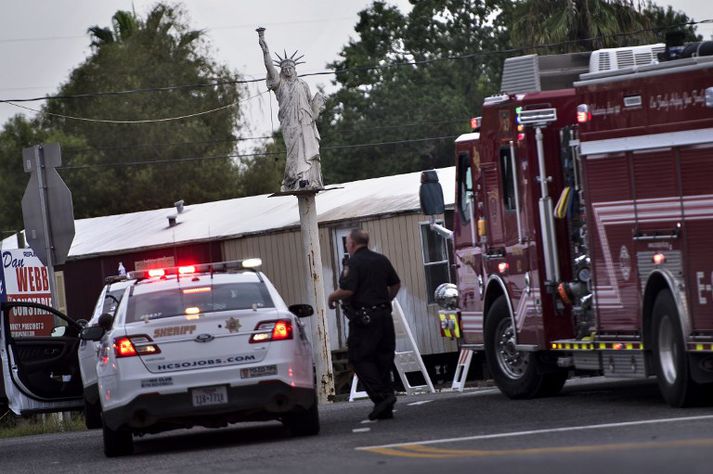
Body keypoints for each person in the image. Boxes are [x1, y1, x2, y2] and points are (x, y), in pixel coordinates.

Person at [328, 229, 401, 420]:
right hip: (385, 316)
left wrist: (332, 297)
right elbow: (395, 284)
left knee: (359, 357)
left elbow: (348, 291)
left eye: (347, 243)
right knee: (383, 360)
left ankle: (382, 396)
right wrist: (386, 301)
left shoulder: (353, 263)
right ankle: (384, 407)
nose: (347, 246)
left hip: (365, 320)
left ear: (351, 244)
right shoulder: (381, 259)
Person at [257, 27, 325, 192]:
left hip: (306, 123)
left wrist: (317, 107)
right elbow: (269, 66)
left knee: (309, 150)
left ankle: (309, 179)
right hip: (290, 124)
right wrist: (264, 47)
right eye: (284, 68)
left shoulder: (303, 84)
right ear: (282, 71)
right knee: (294, 152)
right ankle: (293, 180)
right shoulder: (280, 85)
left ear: (295, 69)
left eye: (290, 67)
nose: (287, 70)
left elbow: (310, 104)